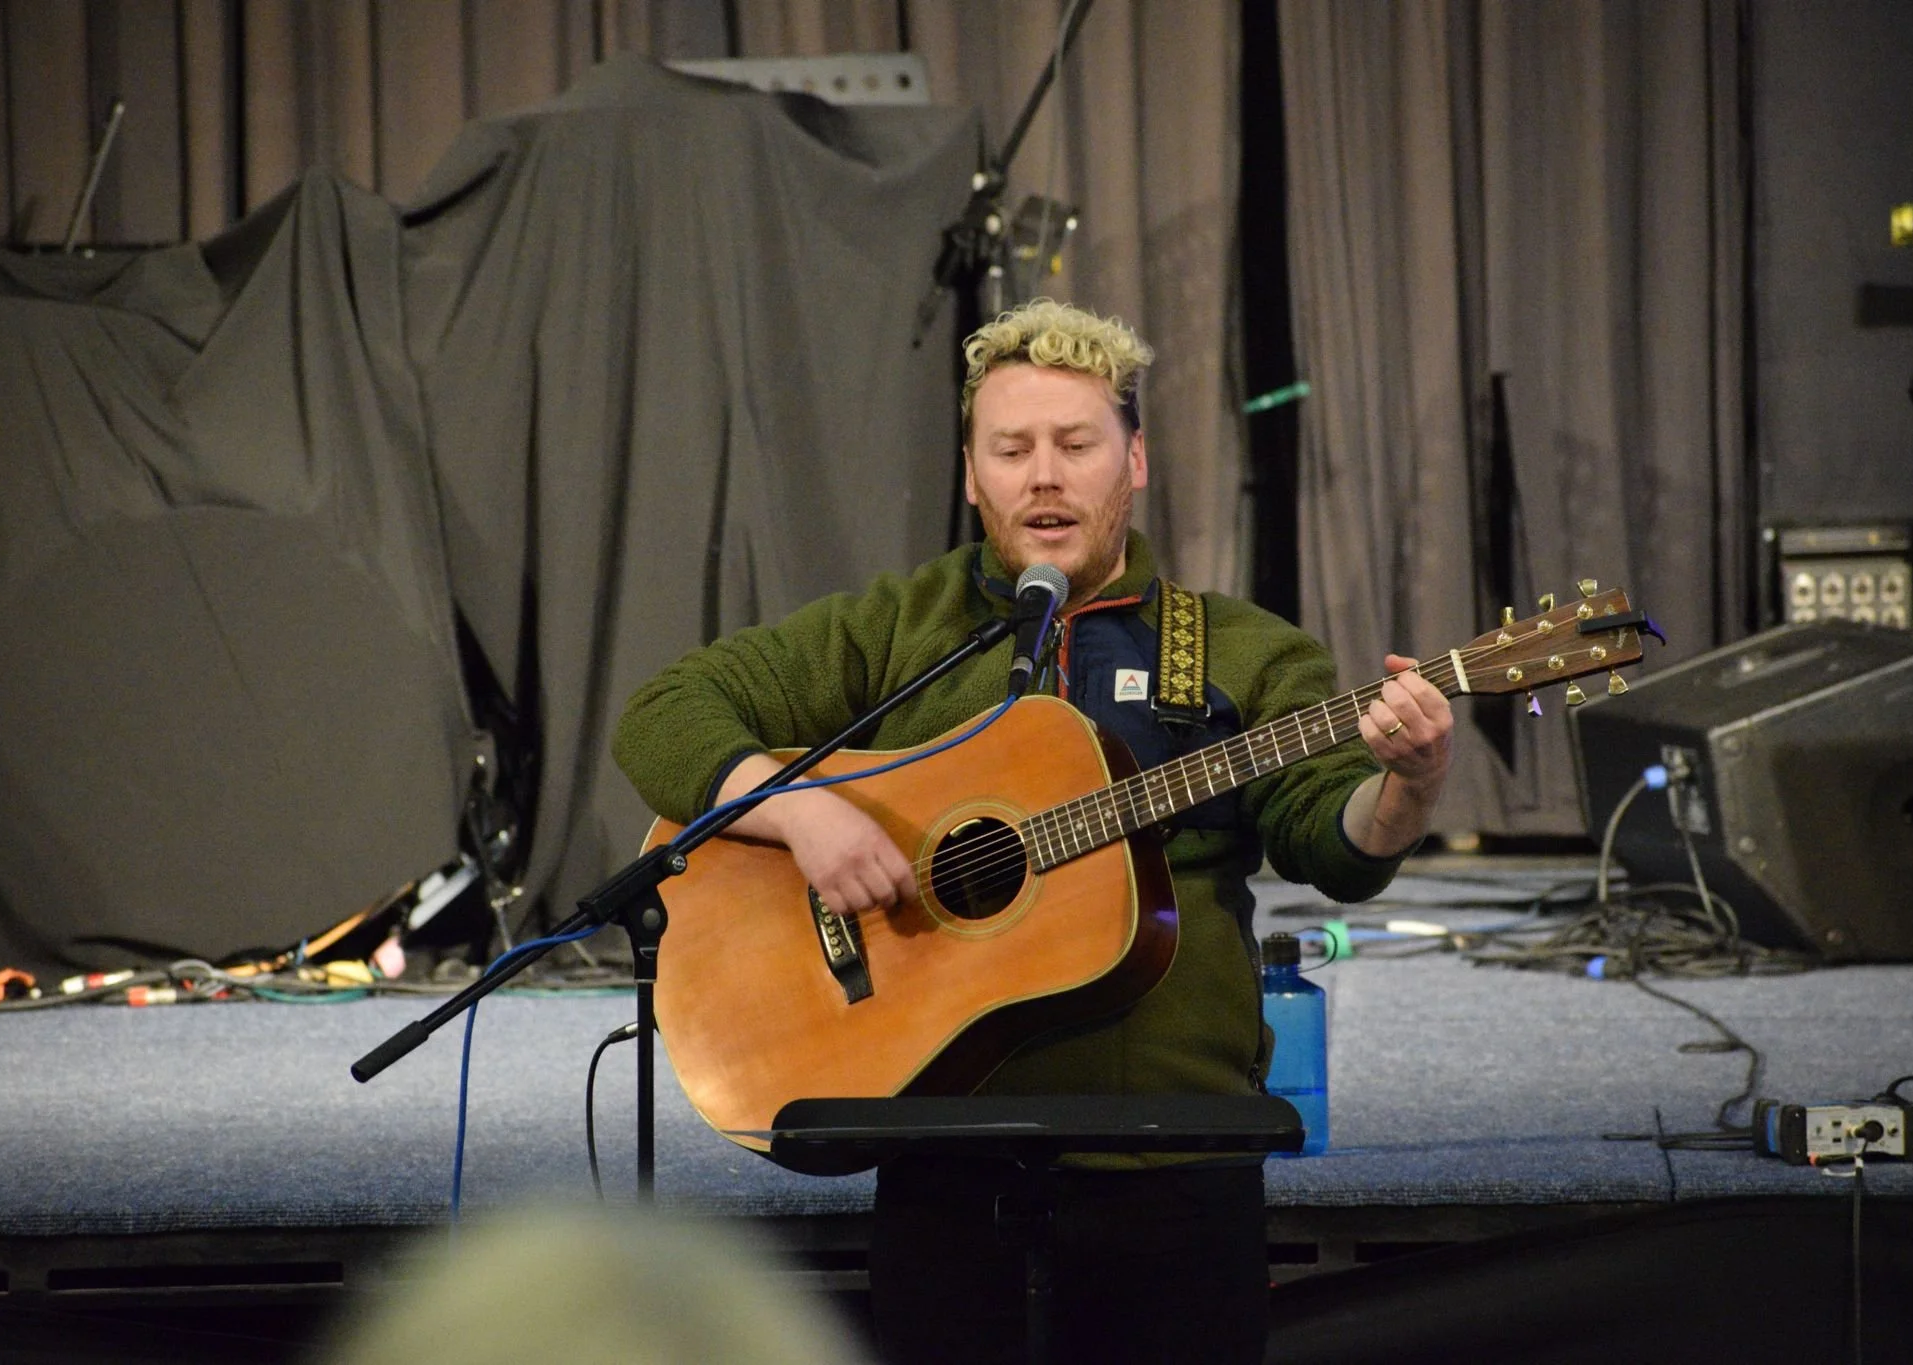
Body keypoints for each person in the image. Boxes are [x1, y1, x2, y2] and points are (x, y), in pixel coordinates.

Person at [612, 299, 1453, 1364]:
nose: (1042, 477)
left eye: (1075, 444)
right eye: (1010, 449)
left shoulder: (1241, 649)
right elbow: (662, 712)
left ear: (1133, 460)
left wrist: (1407, 788)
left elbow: (1327, 842)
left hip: (1174, 1156)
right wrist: (800, 810)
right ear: (971, 474)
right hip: (939, 1145)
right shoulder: (899, 625)